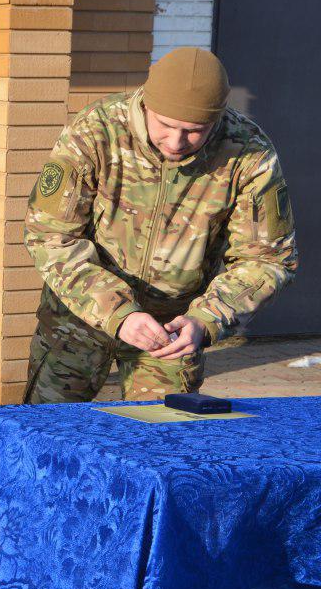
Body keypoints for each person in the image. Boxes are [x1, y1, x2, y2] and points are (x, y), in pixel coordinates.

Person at [24, 46, 297, 403]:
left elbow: (267, 259)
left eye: (195, 131)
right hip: (78, 321)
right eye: (166, 125)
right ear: (145, 104)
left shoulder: (247, 153)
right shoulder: (96, 131)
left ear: (217, 120)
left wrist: (206, 319)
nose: (176, 141)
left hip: (172, 333)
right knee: (49, 430)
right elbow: (50, 236)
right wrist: (117, 313)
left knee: (161, 433)